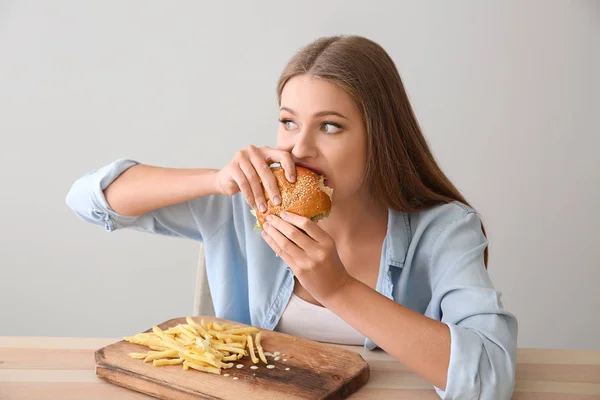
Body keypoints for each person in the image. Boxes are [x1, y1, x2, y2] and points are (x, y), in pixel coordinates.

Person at [66, 35, 517, 399]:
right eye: (288, 122)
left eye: (330, 126)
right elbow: (88, 199)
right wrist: (216, 180)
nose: (300, 148)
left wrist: (339, 289)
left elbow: (488, 379)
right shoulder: (252, 203)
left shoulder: (444, 230)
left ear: (379, 136)